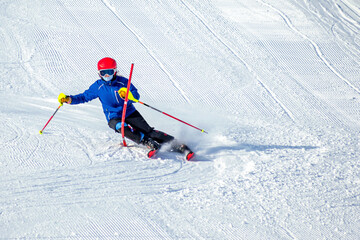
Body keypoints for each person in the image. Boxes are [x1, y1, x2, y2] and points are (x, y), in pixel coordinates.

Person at [58, 57, 194, 160]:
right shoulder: (98, 87)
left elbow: (136, 95)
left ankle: (179, 146)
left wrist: (128, 95)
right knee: (120, 127)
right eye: (103, 73)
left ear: (115, 70)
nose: (107, 76)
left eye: (109, 72)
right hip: (113, 116)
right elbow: (84, 97)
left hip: (129, 111)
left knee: (148, 131)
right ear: (99, 74)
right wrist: (69, 99)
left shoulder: (123, 82)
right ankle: (147, 142)